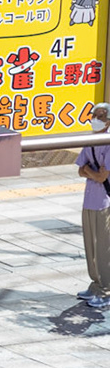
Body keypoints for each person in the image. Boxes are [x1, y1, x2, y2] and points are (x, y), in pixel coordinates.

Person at [78, 103, 110, 309]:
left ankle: (106, 290)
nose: (95, 118)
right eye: (93, 114)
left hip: (104, 202)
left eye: (100, 116)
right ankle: (95, 284)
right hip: (90, 199)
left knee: (104, 247)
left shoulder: (108, 142)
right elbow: (80, 169)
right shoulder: (91, 139)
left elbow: (101, 176)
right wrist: (91, 172)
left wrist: (90, 172)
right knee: (90, 245)